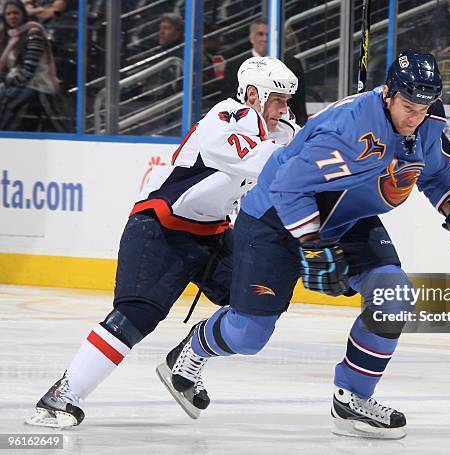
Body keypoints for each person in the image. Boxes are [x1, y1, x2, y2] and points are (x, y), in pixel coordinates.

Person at [160, 50, 450, 439]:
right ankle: (192, 351)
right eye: (407, 106)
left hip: (347, 216)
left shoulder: (427, 121)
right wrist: (312, 244)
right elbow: (287, 186)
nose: (414, 117)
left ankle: (351, 398)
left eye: (423, 107)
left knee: (393, 294)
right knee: (248, 336)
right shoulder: (346, 128)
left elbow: (434, 172)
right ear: (388, 93)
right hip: (275, 219)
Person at [25, 57, 299, 428]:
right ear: (253, 95)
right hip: (161, 226)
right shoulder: (227, 116)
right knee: (137, 315)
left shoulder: (284, 132)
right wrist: (310, 150)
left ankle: (186, 361)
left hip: (214, 234)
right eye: (278, 99)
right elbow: (257, 163)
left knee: (258, 297)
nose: (285, 109)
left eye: (287, 102)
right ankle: (62, 395)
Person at [221, 17, 308, 126]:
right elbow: (229, 99)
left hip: (282, 127)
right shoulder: (235, 65)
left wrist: (301, 132)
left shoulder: (292, 64)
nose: (265, 39)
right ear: (251, 37)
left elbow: (299, 104)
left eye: (268, 35)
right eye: (260, 34)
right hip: (244, 126)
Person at [0, 0, 65, 132]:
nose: (12, 17)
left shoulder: (34, 32)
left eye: (15, 13)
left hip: (36, 85)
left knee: (7, 102)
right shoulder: (10, 36)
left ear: (23, 14)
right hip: (18, 84)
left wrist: (7, 83)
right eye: (8, 14)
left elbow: (29, 70)